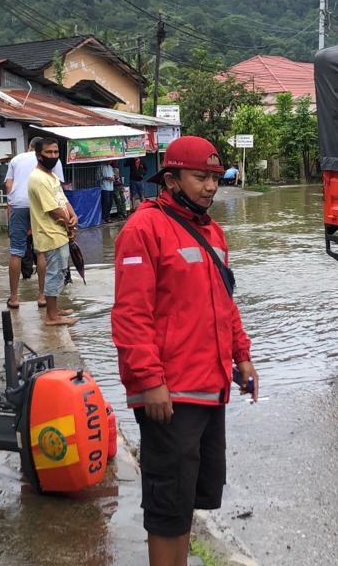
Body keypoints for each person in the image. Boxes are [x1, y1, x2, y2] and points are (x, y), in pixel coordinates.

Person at [111, 135, 258, 566]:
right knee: (166, 509)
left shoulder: (213, 232)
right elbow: (130, 315)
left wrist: (242, 356)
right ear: (171, 179)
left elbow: (224, 305)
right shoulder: (143, 229)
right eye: (200, 177)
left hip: (209, 386)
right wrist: (149, 381)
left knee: (187, 497)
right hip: (171, 394)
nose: (211, 187)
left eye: (215, 177)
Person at [3, 137, 64, 309]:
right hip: (42, 205)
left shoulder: (16, 159)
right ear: (40, 150)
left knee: (16, 251)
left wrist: (12, 203)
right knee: (41, 251)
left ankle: (14, 298)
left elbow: (9, 185)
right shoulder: (54, 160)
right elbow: (57, 188)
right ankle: (42, 296)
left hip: (19, 205)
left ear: (29, 147)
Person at [27, 138, 79, 327]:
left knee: (60, 272)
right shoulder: (38, 179)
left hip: (59, 232)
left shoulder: (51, 176)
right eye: (49, 153)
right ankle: (51, 316)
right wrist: (70, 225)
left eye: (56, 152)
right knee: (54, 273)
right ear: (39, 155)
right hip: (49, 233)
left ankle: (54, 309)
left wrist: (73, 216)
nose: (53, 156)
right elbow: (52, 209)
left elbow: (62, 199)